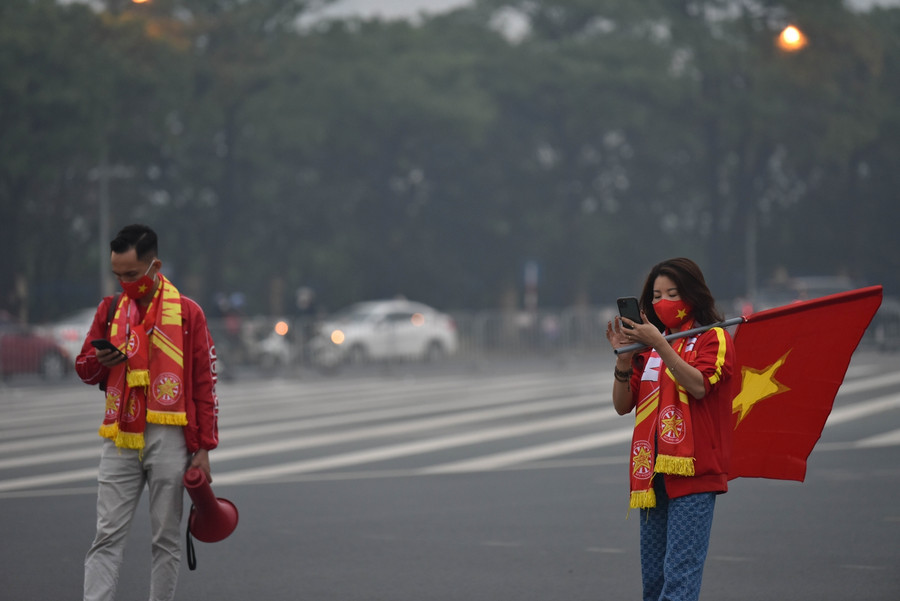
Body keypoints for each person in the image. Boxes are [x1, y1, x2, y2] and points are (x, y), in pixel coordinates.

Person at [75, 224, 219, 601]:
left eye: (132, 275)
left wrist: (203, 448)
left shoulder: (188, 314)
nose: (125, 283)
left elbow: (204, 384)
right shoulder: (109, 310)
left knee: (165, 539)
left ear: (155, 265)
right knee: (106, 536)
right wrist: (100, 361)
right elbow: (85, 369)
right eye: (118, 275)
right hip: (120, 432)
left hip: (169, 434)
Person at [605, 257, 737, 601]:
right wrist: (623, 360)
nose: (664, 302)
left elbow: (698, 385)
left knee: (679, 581)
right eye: (657, 295)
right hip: (651, 476)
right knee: (654, 583)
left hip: (694, 472)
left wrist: (661, 345)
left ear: (693, 295)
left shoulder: (713, 338)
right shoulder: (645, 351)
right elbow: (622, 405)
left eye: (673, 293)